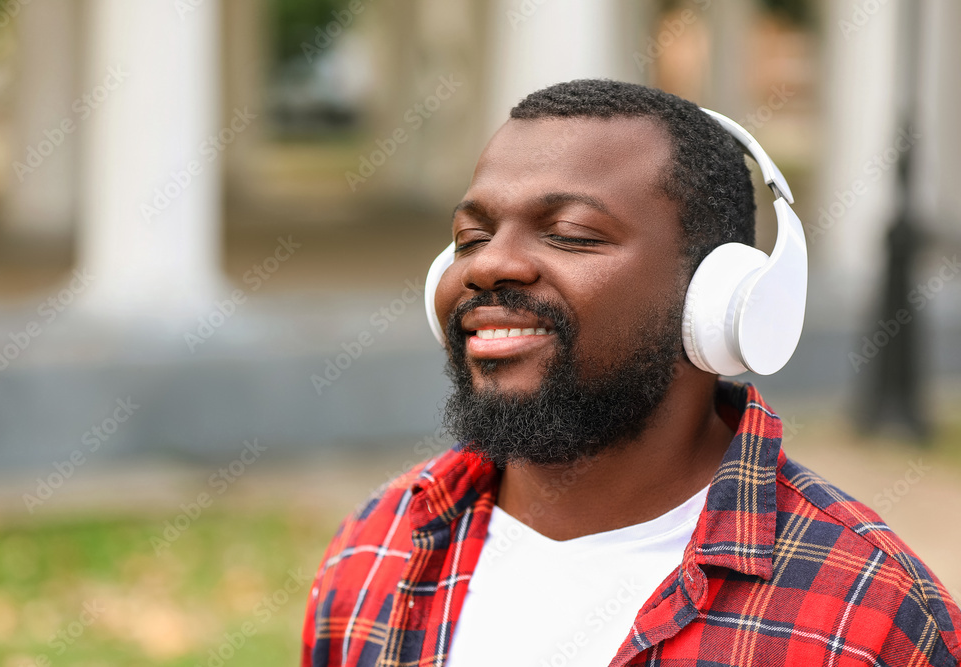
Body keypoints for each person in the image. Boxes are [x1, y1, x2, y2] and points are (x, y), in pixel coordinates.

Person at [301, 80, 961, 666]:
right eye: (471, 237)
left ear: (722, 300)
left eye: (569, 232)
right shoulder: (375, 546)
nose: (486, 265)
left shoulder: (874, 617)